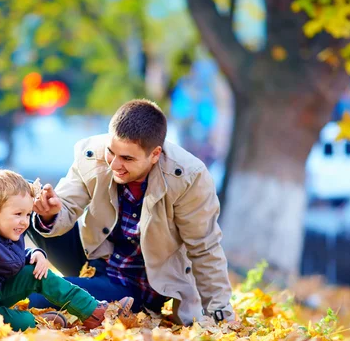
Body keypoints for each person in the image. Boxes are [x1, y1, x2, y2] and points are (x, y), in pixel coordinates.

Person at [28, 99, 234, 325]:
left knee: (36, 294)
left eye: (127, 158)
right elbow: (66, 204)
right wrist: (48, 214)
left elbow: (204, 248)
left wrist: (221, 314)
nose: (115, 164)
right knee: (13, 196)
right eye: (111, 152)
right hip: (94, 259)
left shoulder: (187, 177)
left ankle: (31, 293)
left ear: (155, 154)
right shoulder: (92, 155)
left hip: (133, 288)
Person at [0, 169, 133, 331]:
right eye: (18, 214)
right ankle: (39, 322)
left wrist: (34, 254)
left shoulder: (0, 227)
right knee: (24, 322)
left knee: (40, 274)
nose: (24, 221)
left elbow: (4, 258)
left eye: (28, 214)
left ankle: (93, 312)